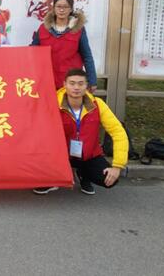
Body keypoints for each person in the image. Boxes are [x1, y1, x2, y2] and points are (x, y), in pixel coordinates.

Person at [34, 68, 128, 196]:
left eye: (80, 83)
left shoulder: (98, 105)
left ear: (86, 86)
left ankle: (84, 174)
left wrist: (117, 166)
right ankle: (53, 179)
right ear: (64, 85)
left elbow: (118, 132)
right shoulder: (52, 105)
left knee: (108, 180)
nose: (76, 87)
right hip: (60, 155)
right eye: (72, 83)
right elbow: (37, 130)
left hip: (88, 155)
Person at [31, 0, 97, 92]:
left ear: (71, 9)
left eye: (65, 7)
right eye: (58, 6)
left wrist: (92, 80)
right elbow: (32, 51)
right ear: (54, 8)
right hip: (47, 79)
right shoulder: (43, 28)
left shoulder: (78, 29)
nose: (61, 10)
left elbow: (87, 56)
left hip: (71, 82)